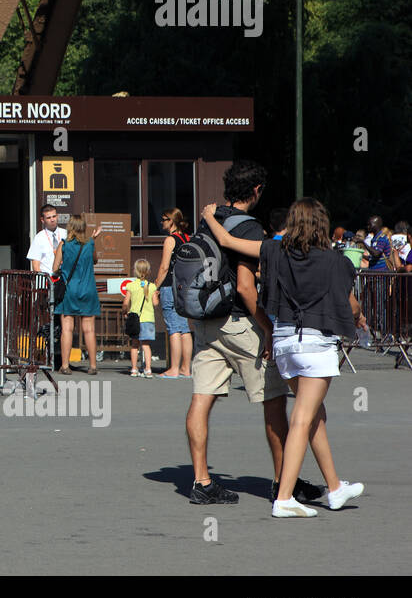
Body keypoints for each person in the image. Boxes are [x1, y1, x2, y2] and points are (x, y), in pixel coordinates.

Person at [201, 199, 366, 516]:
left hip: (284, 341)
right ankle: (285, 497)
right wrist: (356, 317)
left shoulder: (274, 251)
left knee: (314, 415)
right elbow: (352, 306)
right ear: (322, 225)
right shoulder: (335, 262)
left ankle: (334, 488)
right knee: (304, 418)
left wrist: (209, 215)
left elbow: (226, 241)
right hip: (317, 344)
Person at [184, 160, 320, 507]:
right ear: (257, 191)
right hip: (239, 322)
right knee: (273, 400)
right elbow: (245, 288)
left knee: (202, 398)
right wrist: (268, 328)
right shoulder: (248, 227)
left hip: (204, 319)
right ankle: (282, 482)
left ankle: (201, 481)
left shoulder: (208, 220)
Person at [51, 214, 102, 375]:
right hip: (88, 290)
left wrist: (63, 267)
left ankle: (65, 365)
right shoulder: (90, 244)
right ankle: (93, 365)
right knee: (89, 329)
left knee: (67, 328)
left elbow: (54, 268)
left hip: (69, 290)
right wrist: (92, 239)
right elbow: (95, 260)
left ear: (70, 227)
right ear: (83, 228)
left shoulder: (64, 245)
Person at [154, 208, 193, 378]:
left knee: (173, 327)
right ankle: (186, 368)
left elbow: (164, 267)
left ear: (171, 221)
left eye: (164, 219)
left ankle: (174, 369)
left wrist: (155, 286)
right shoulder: (187, 238)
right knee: (184, 328)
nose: (161, 222)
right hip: (184, 286)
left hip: (170, 285)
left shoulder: (170, 240)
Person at [26, 204, 66, 366]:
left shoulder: (64, 234)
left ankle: (61, 357)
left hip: (63, 282)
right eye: (48, 218)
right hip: (47, 283)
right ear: (42, 220)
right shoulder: (39, 238)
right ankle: (44, 355)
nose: (52, 220)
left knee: (62, 319)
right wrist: (41, 282)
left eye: (54, 216)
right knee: (45, 319)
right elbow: (36, 264)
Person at [122, 259, 159, 377]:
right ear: (148, 271)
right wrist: (156, 295)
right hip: (148, 319)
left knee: (134, 345)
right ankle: (148, 369)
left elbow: (125, 302)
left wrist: (125, 311)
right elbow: (155, 303)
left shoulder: (131, 286)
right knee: (146, 345)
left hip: (135, 319)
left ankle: (134, 369)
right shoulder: (152, 286)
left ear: (135, 271)